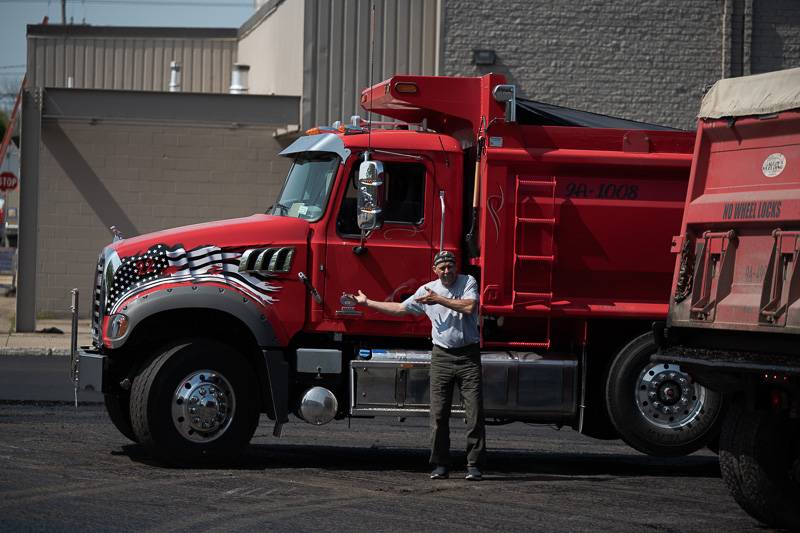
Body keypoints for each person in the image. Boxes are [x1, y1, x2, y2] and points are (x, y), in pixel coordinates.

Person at [351, 250, 486, 481]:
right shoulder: (426, 290)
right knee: (438, 416)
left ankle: (474, 465)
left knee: (474, 414)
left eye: (450, 267)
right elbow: (401, 309)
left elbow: (469, 307)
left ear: (456, 268)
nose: (446, 271)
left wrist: (439, 299)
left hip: (468, 356)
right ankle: (440, 464)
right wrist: (368, 303)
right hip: (442, 356)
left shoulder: (467, 282)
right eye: (442, 267)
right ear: (435, 270)